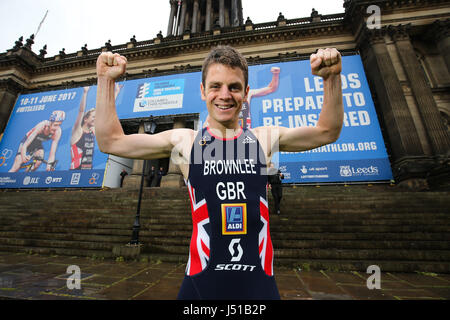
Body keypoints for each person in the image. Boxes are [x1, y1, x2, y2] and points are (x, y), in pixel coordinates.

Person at [95, 45, 343, 299]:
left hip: (258, 287)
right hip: (201, 287)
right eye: (216, 86)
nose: (224, 95)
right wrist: (105, 80)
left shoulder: (264, 139)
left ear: (246, 93)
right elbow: (111, 142)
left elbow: (327, 131)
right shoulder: (185, 142)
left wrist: (331, 77)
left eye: (234, 87)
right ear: (203, 91)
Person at [70, 84, 122, 170]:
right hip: (75, 170)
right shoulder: (77, 131)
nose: (96, 119)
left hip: (88, 169)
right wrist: (85, 93)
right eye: (94, 117)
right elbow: (81, 111)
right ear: (86, 119)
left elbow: (107, 110)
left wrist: (116, 92)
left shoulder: (93, 131)